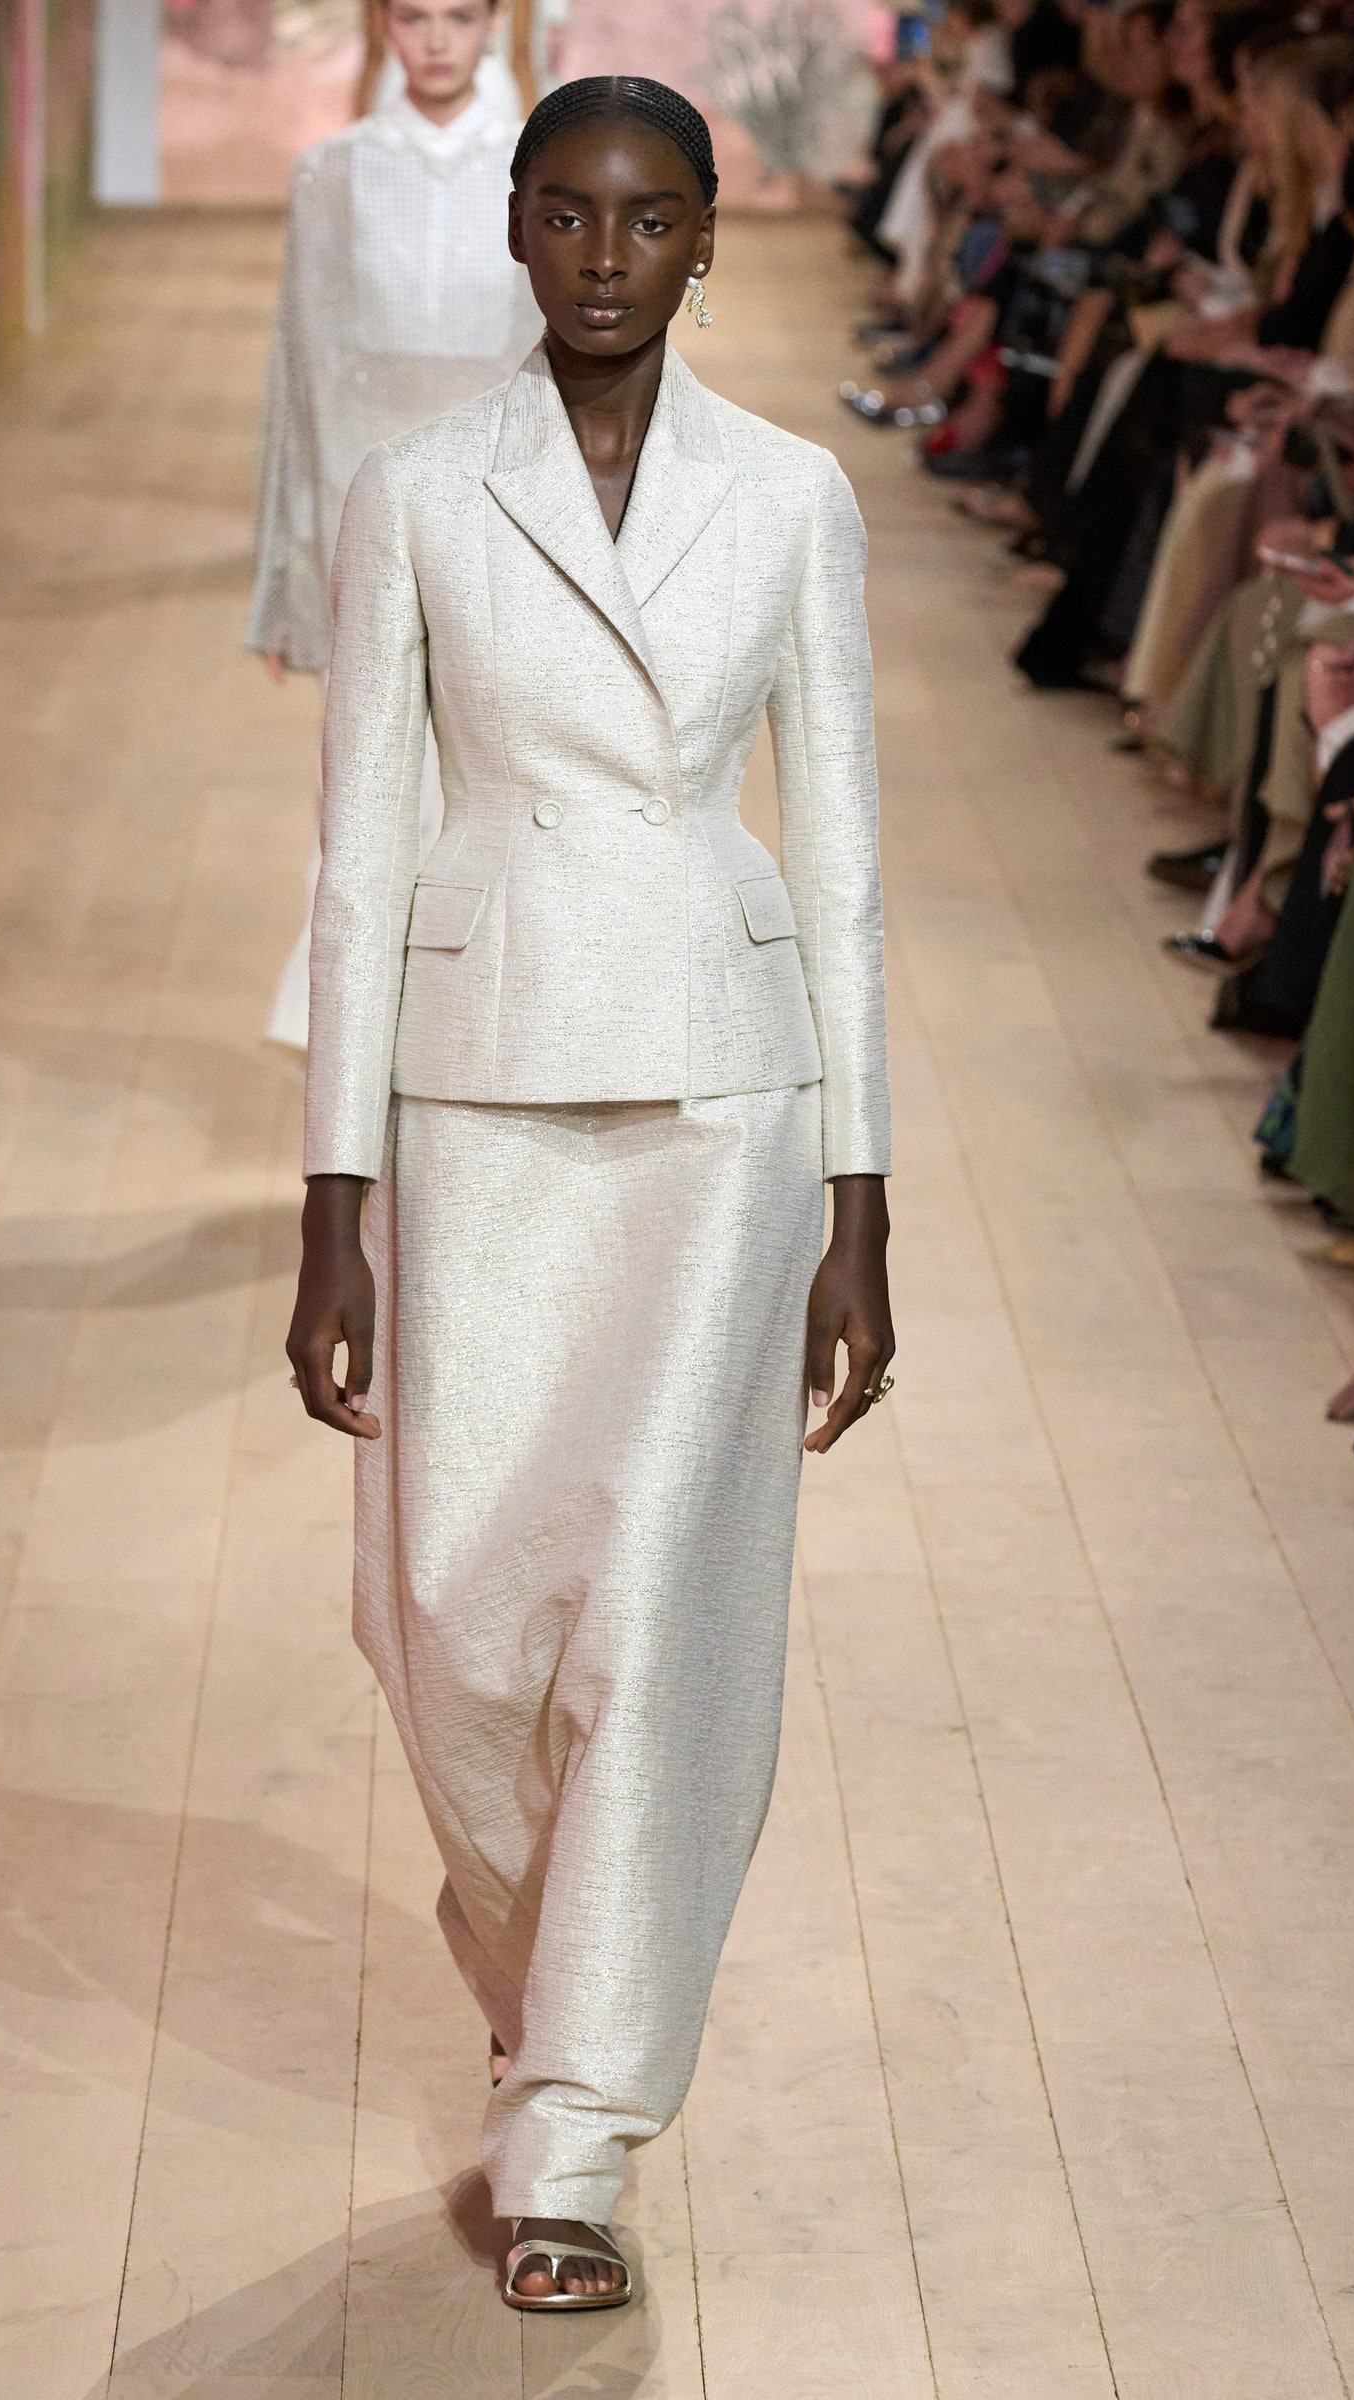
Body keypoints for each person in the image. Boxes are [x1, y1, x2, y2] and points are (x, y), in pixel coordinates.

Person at [285, 76, 894, 2310]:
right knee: (441, 1615)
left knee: (659, 1610)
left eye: (649, 220)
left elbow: (843, 857)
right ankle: (544, 1973)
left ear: (709, 237)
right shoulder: (416, 490)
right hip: (475, 1085)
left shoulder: (794, 496)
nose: (606, 257)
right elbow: (358, 857)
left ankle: (576, 2128)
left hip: (721, 1103)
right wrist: (331, 1194)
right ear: (517, 235)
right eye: (566, 216)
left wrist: (860, 1190)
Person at [247, 0, 542, 1050]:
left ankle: (472, 1025)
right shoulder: (331, 175)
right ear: (383, 25)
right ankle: (350, 1015)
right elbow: (302, 376)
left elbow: (562, 372)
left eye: (460, 15)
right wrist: (285, 578)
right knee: (368, 782)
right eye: (414, 16)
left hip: (504, 515)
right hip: (364, 513)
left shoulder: (540, 176)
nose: (438, 40)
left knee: (500, 782)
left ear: (494, 24)